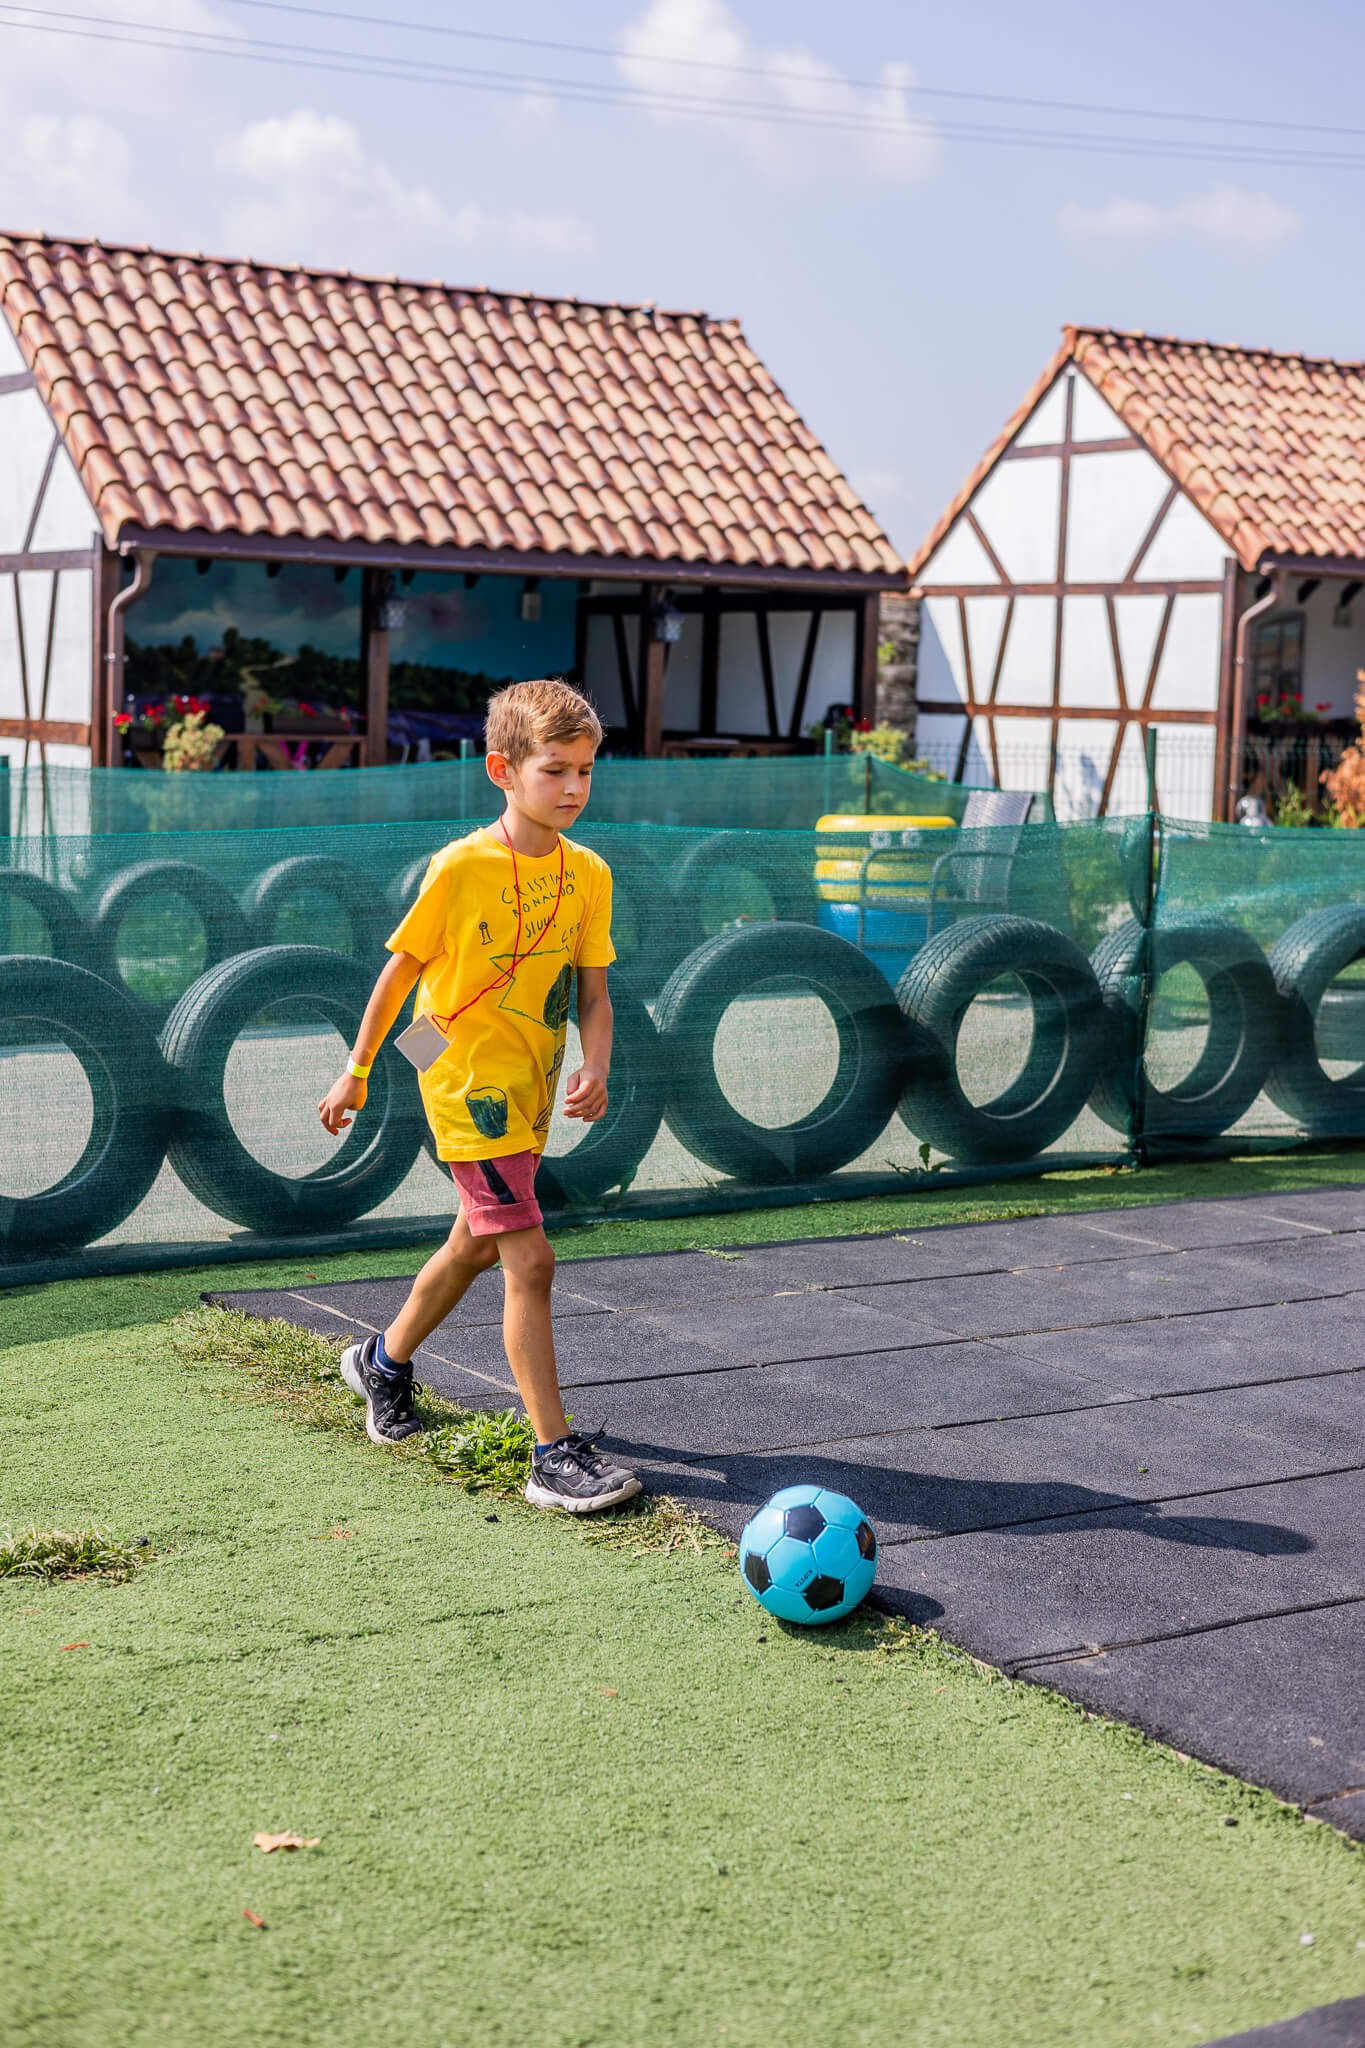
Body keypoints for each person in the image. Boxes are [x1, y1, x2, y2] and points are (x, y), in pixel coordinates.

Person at [317, 678, 642, 1514]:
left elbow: (594, 994)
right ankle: (550, 1454)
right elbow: (402, 970)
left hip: (532, 1085)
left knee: (473, 1243)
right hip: (463, 1084)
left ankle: (380, 1362)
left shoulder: (590, 874)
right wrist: (356, 1067)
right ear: (502, 769)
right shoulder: (461, 866)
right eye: (554, 771)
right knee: (529, 1259)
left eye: (585, 771)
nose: (573, 788)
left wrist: (595, 1065)